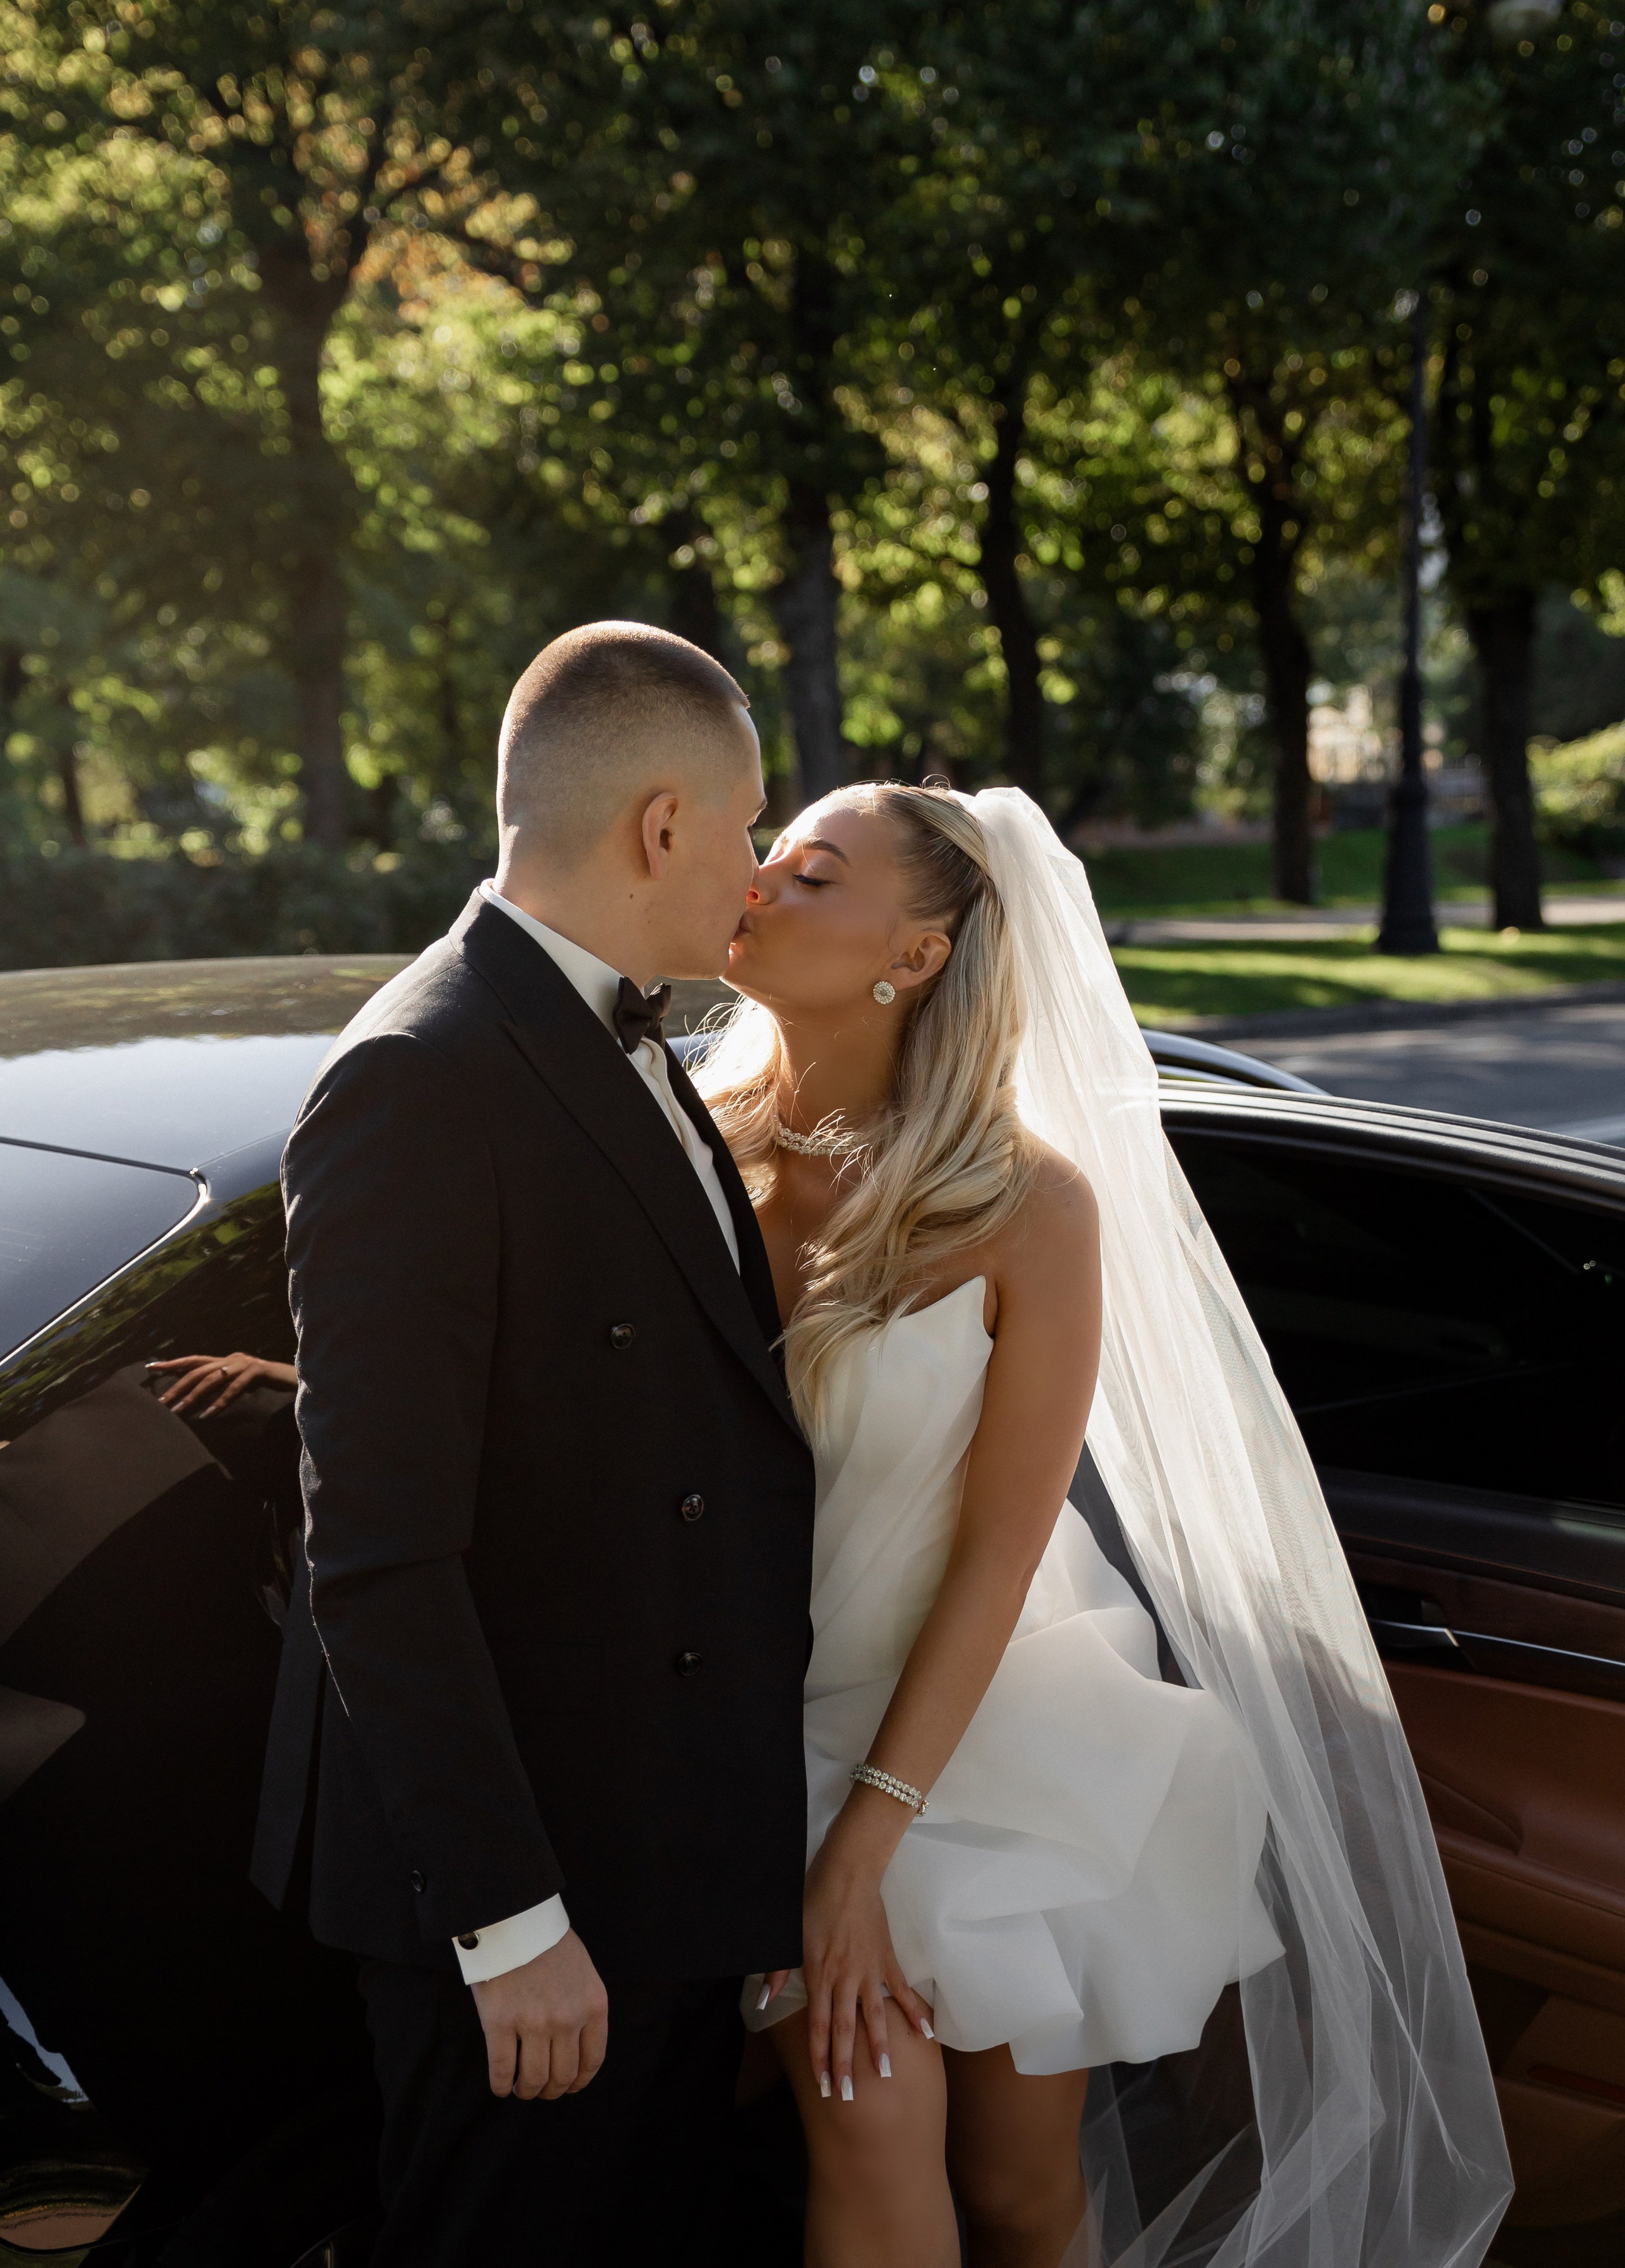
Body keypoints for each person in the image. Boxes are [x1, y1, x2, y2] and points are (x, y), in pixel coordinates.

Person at [691, 783, 1512, 2268]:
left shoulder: (1027, 1207)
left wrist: (867, 1837)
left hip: (977, 1740)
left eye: (810, 872)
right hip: (749, 1736)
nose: (756, 882)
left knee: (1018, 2189)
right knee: (868, 2117)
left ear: (916, 954)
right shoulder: (680, 1152)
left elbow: (998, 1557)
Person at [246, 623, 816, 2267]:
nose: (756, 868)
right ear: (662, 824)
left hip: (663, 1870)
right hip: (523, 1908)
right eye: (746, 824)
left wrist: (744, 1880)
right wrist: (509, 1924)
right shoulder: (417, 1075)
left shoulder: (630, 1042)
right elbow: (379, 1555)